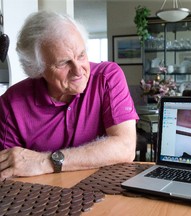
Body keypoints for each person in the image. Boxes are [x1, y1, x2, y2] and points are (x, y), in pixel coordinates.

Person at [0, 11, 138, 179]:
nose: (79, 70)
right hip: (44, 198)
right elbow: (8, 173)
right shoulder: (11, 104)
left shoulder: (107, 77)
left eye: (81, 55)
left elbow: (125, 147)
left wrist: (46, 161)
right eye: (64, 63)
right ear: (37, 69)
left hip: (104, 191)